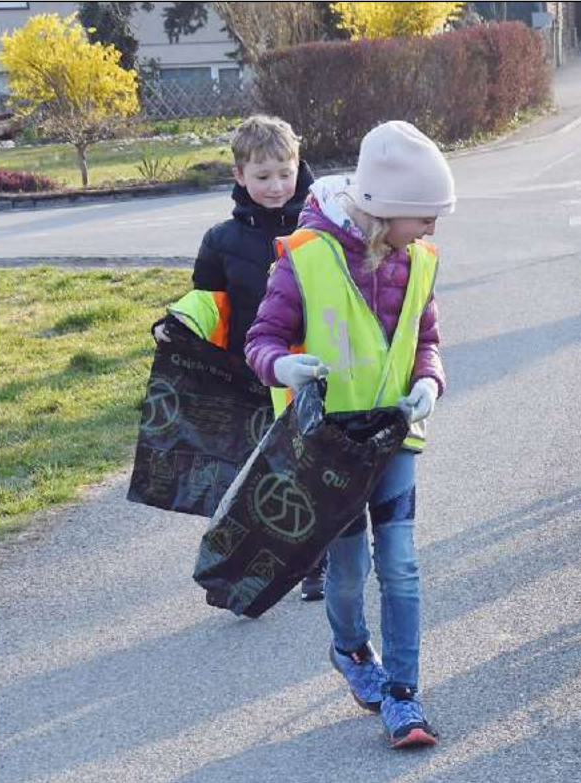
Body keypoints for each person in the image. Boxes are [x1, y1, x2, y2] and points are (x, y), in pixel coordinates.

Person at [244, 121, 449, 749]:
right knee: (349, 566)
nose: (432, 231)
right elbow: (262, 339)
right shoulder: (306, 255)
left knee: (402, 564)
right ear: (385, 212)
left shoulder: (420, 261)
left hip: (394, 439)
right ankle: (351, 650)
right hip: (328, 449)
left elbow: (429, 342)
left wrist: (431, 384)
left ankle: (405, 698)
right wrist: (283, 366)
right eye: (423, 217)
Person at [156, 115, 326, 601]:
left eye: (285, 173)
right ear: (239, 176)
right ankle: (261, 561)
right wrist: (175, 324)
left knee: (310, 472)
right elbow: (209, 300)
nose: (276, 186)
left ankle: (316, 563)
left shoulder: (323, 228)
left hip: (312, 371)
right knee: (260, 480)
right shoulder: (221, 241)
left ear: (299, 167)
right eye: (262, 176)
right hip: (250, 374)